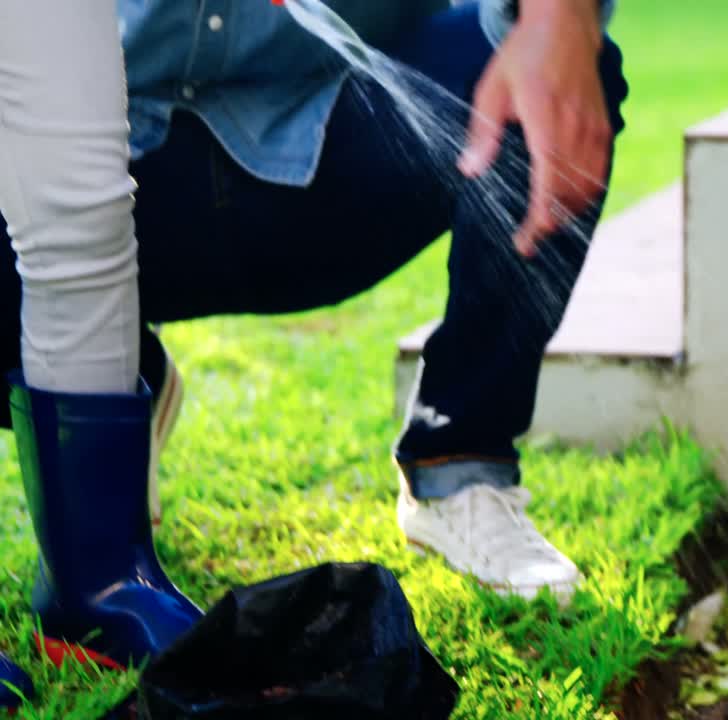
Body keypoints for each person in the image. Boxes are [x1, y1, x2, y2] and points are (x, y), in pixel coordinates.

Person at [0, 0, 628, 708]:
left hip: (333, 125)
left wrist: (559, 18)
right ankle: (118, 390)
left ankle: (458, 463)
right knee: (51, 197)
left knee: (559, 61)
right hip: (105, 149)